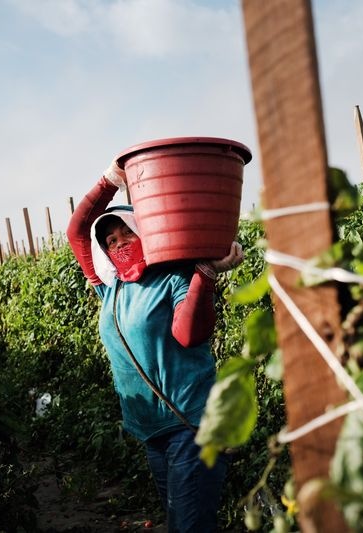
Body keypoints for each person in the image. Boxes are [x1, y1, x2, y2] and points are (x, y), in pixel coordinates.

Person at [66, 160, 244, 532]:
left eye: (126, 234)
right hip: (154, 433)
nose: (118, 244)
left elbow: (188, 334)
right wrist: (111, 179)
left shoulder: (174, 276)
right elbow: (78, 231)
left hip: (191, 426)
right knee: (184, 522)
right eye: (111, 241)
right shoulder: (109, 289)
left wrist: (205, 275)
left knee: (187, 526)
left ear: (146, 232)